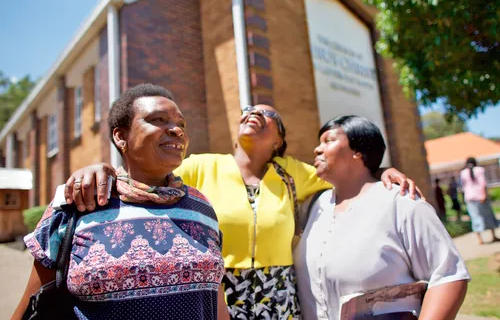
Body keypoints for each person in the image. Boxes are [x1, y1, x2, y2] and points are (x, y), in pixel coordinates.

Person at [62, 105, 422, 319]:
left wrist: (383, 172)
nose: (254, 113)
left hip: (279, 291)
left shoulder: (292, 172)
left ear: (278, 139)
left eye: (267, 113)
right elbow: (143, 173)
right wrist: (101, 169)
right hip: (219, 288)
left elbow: (347, 172)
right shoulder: (203, 165)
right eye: (249, 109)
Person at [13, 84, 229, 320]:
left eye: (181, 124)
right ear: (120, 136)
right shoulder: (80, 202)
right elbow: (32, 304)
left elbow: (214, 298)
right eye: (158, 119)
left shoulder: (202, 207)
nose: (176, 130)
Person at [294, 115, 470, 320]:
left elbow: (448, 276)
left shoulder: (402, 203)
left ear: (358, 151)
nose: (317, 149)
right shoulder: (315, 205)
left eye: (328, 140)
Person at [460, 157, 500, 245]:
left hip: (470, 198)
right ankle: (493, 235)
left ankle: (480, 239)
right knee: (488, 215)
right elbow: (483, 183)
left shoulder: (463, 173)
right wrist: (484, 195)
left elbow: (463, 187)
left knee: (475, 217)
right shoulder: (480, 170)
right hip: (481, 196)